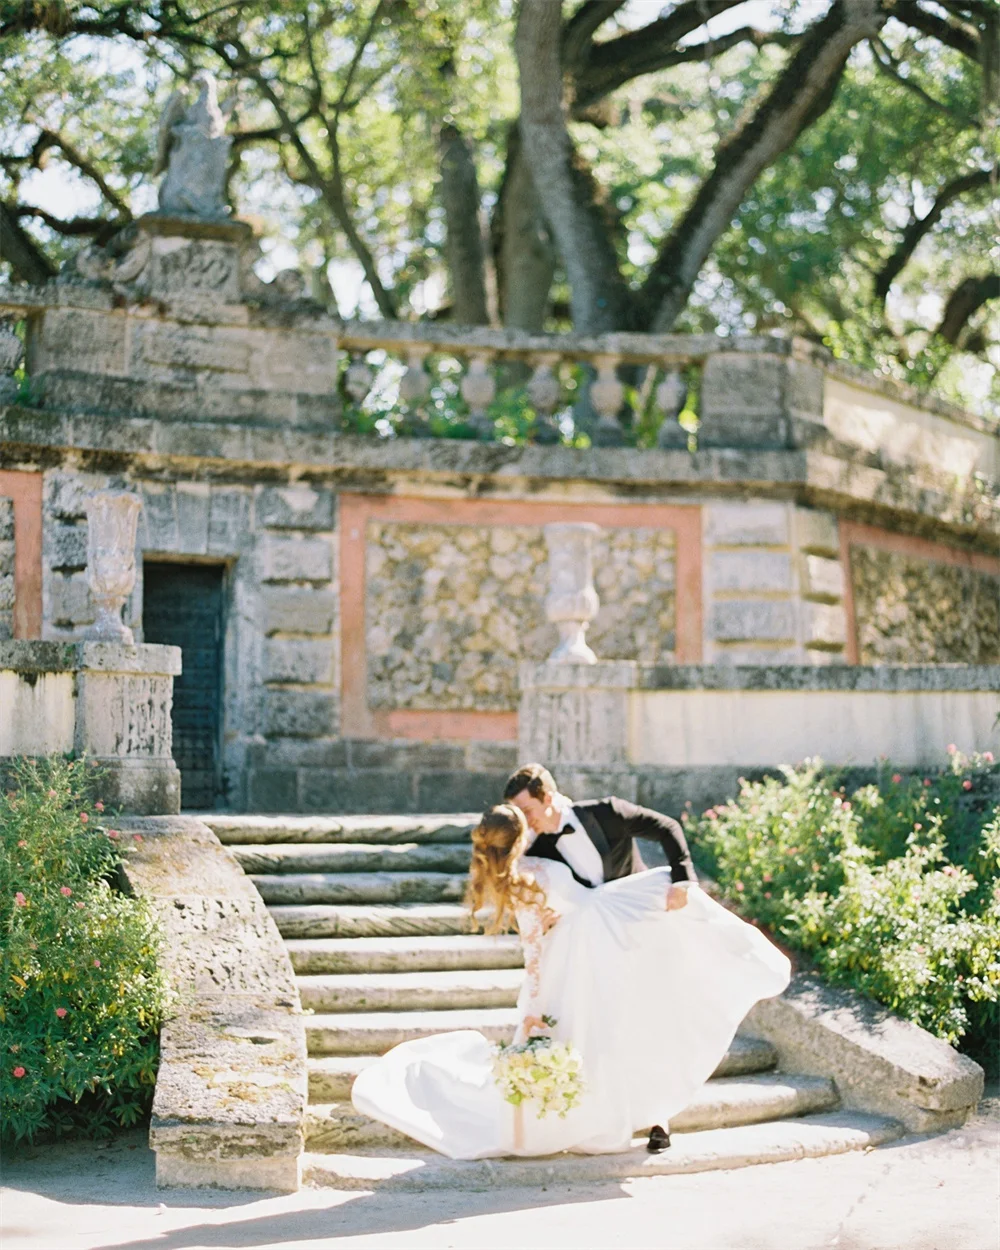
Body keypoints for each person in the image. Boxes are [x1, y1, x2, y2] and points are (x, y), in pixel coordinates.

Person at [351, 803, 791, 1161]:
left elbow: (539, 938)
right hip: (578, 965)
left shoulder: (515, 878)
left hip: (565, 967)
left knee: (582, 1043)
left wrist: (536, 991)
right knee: (593, 1042)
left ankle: (565, 1123)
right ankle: (597, 1120)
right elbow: (570, 916)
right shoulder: (541, 871)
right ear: (522, 836)